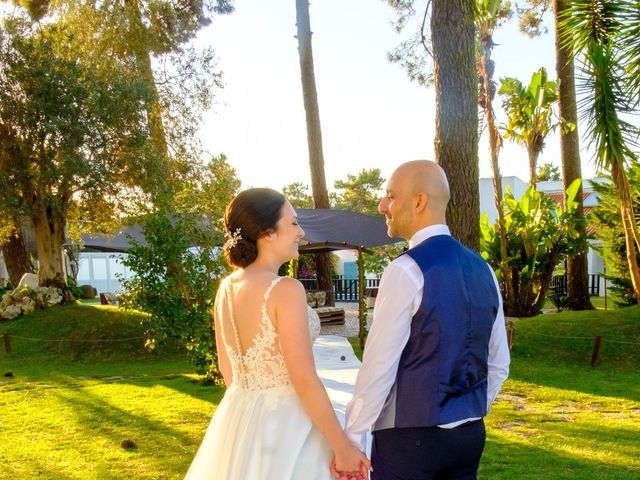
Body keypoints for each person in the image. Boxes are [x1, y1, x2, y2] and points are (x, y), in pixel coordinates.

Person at [184, 187, 370, 480]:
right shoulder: (285, 289)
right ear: (268, 232)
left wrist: (250, 420)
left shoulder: (227, 289)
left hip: (239, 417)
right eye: (293, 222)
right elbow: (304, 378)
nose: (301, 232)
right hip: (289, 424)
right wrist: (342, 447)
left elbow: (228, 370)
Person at [343, 161, 510, 480]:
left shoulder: (405, 270)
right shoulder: (484, 269)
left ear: (418, 202)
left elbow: (379, 368)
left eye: (390, 196)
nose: (382, 205)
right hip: (468, 438)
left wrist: (353, 437)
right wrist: (466, 413)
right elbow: (498, 363)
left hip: (409, 442)